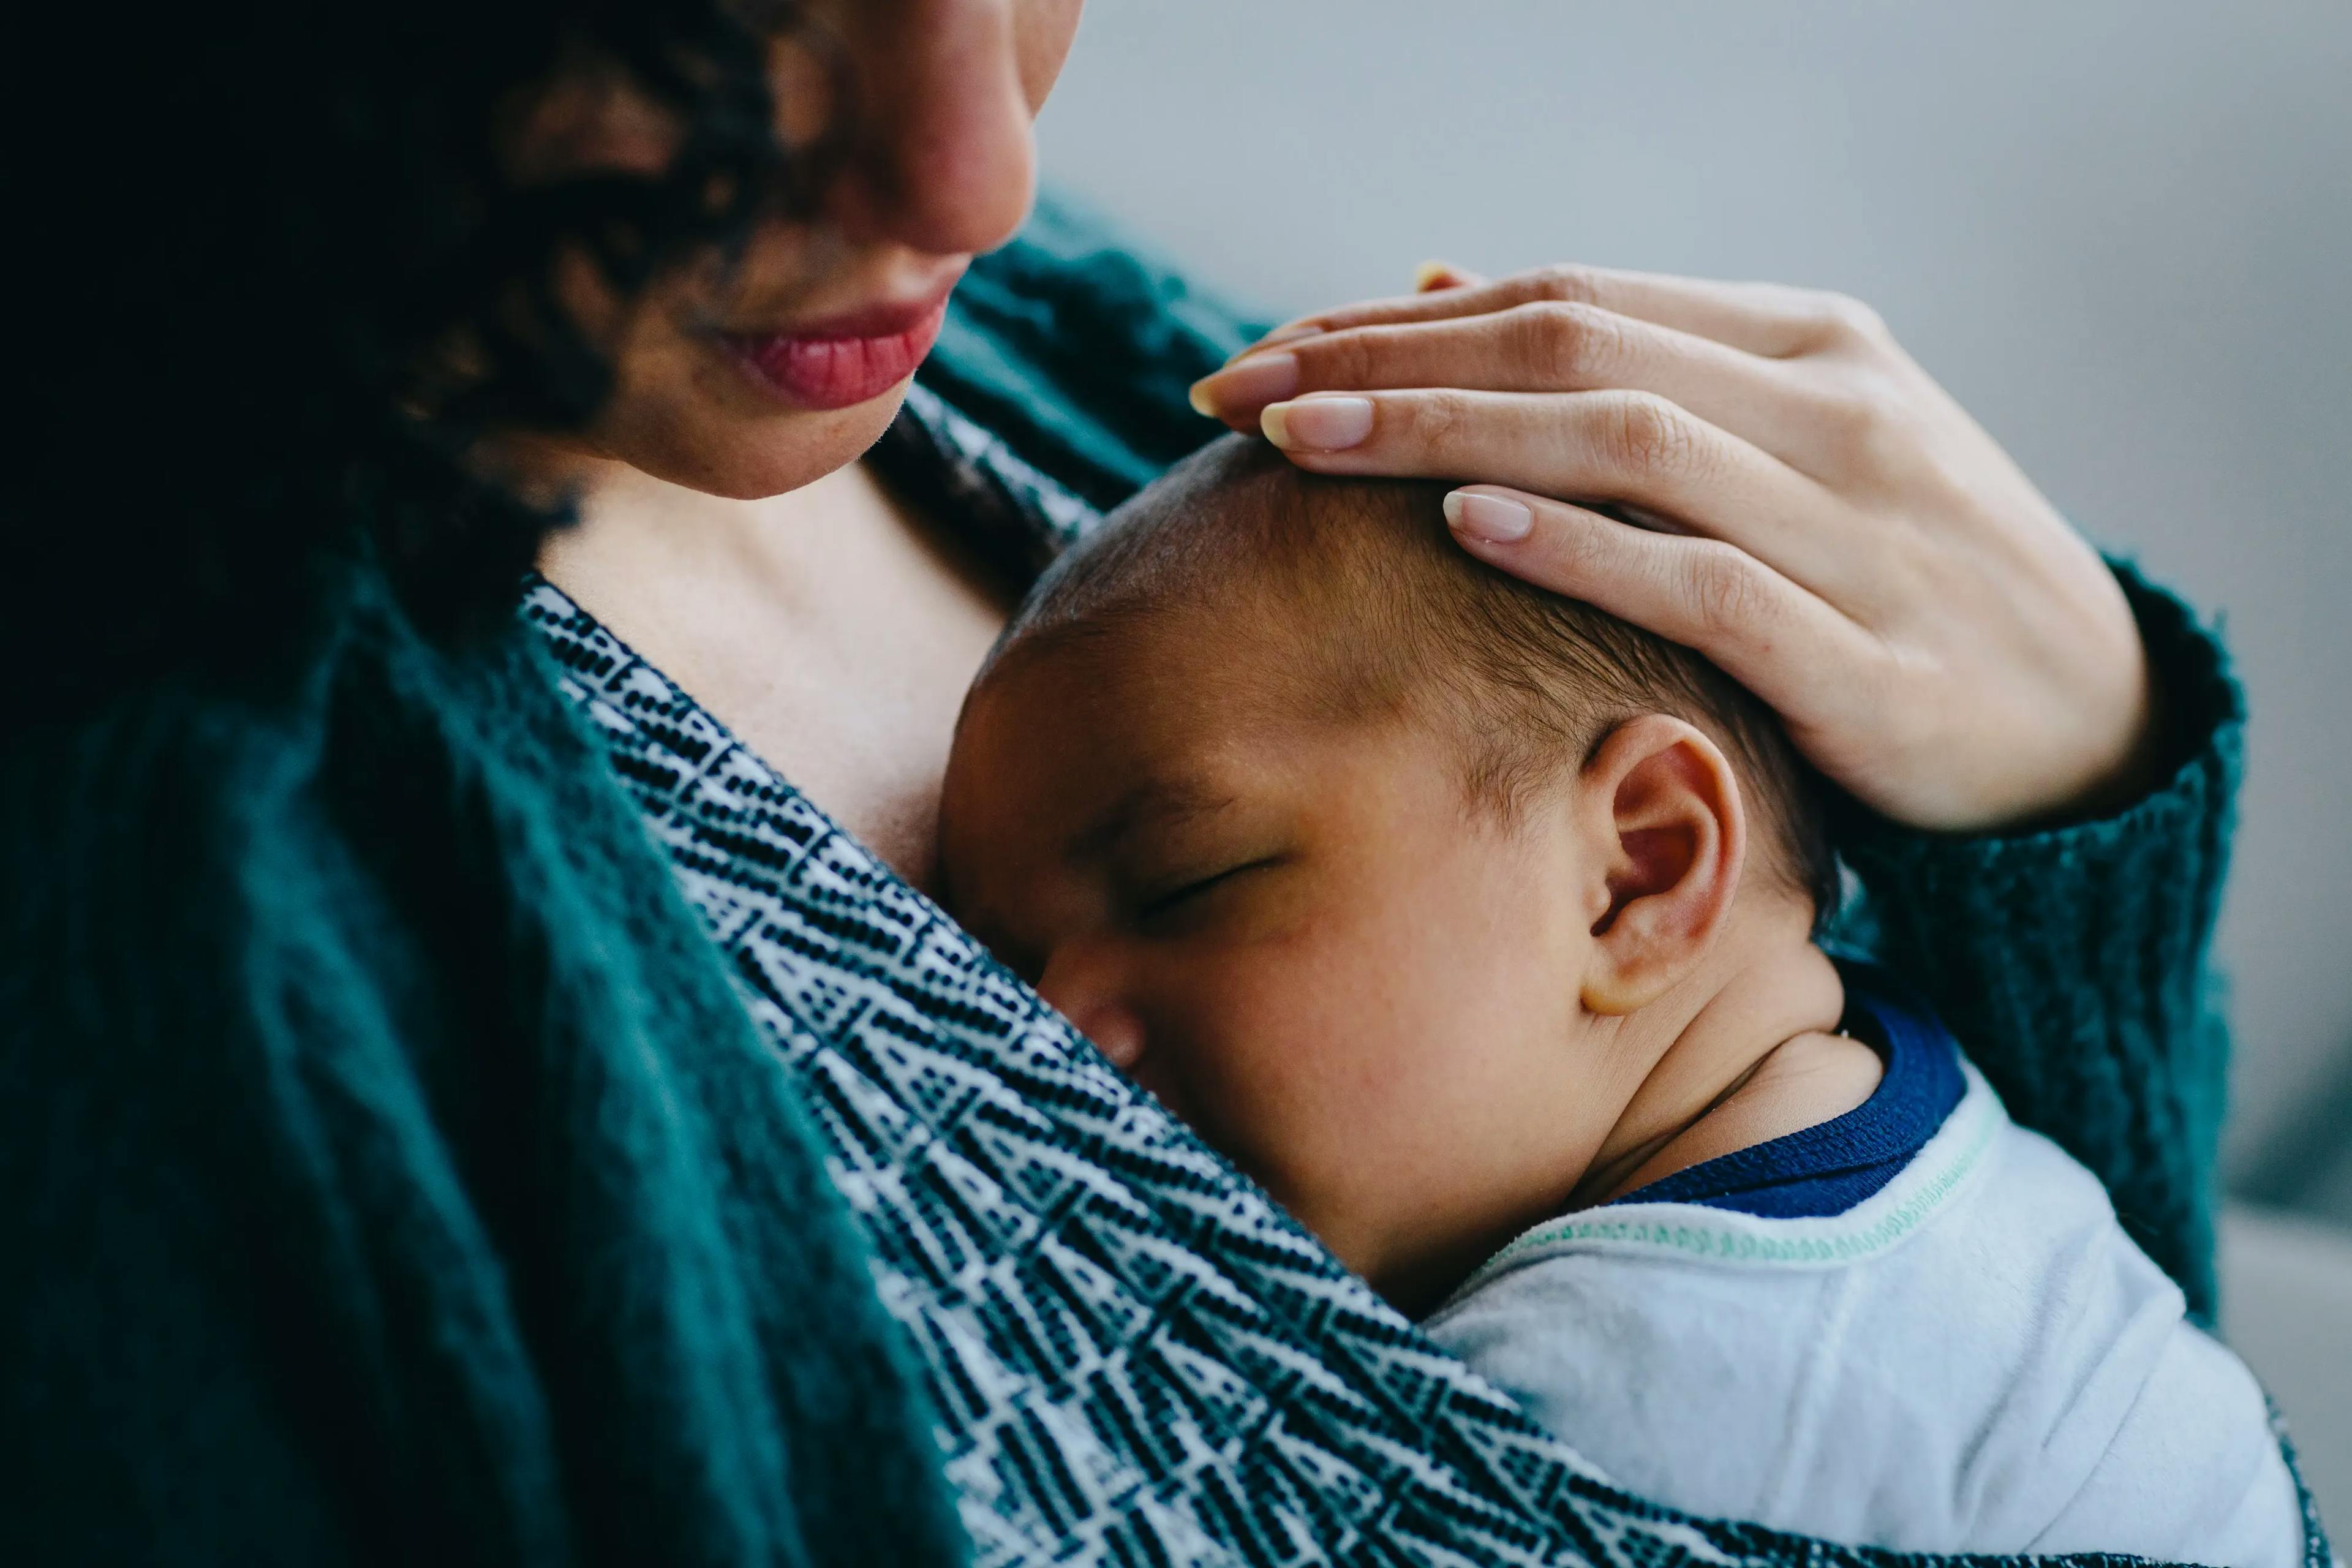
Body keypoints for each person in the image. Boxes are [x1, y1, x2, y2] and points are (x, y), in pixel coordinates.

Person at [9, 0, 2320, 1563]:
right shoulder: (178, 898)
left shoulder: (1088, 372)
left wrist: (2059, 811)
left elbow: (2034, 1397)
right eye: (724, 6)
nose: (977, 164)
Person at [938, 437, 2303, 1564]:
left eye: (1189, 880)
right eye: (1004, 967)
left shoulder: (1615, 1395)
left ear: (1638, 870)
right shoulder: (1905, 1077)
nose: (1050, 1034)